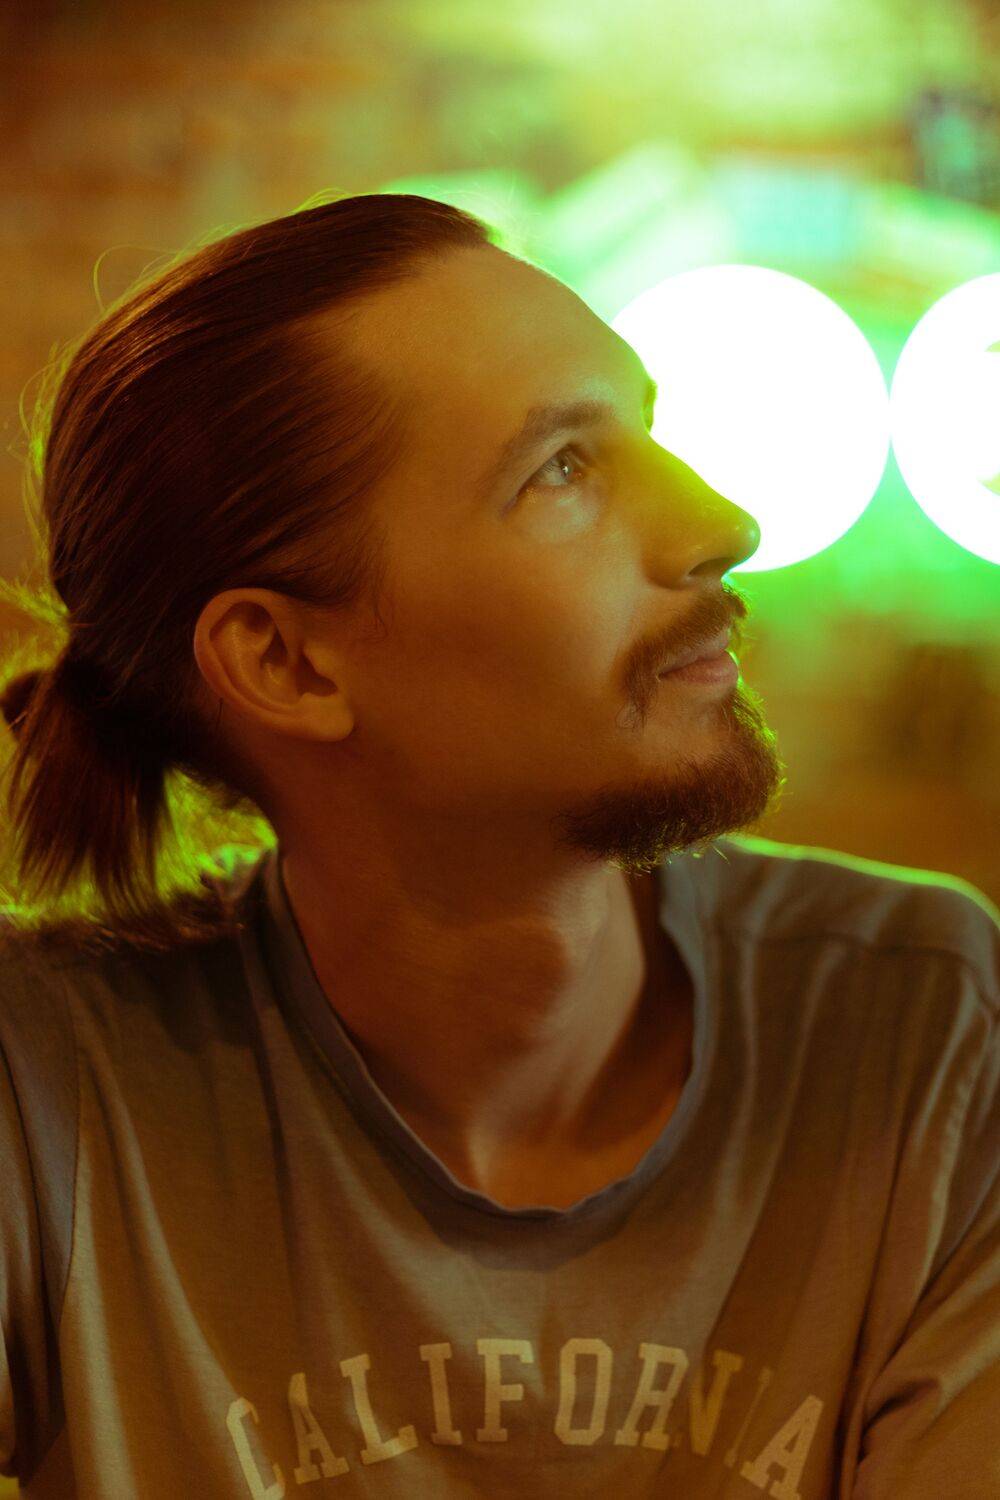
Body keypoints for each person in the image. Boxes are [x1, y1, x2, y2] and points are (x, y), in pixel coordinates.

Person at [0, 194, 995, 1499]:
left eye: (645, 430)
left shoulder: (924, 1025)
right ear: (287, 662)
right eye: (561, 470)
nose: (722, 524)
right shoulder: (48, 1092)